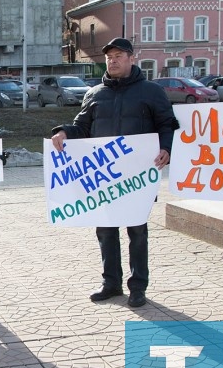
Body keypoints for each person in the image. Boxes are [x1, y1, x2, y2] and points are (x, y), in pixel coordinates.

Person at [51, 38, 177, 307]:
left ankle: (138, 287)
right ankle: (111, 283)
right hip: (104, 178)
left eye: (119, 55)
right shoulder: (95, 93)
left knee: (137, 232)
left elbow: (167, 123)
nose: (113, 60)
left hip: (138, 177)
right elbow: (81, 127)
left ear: (132, 58)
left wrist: (166, 147)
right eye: (109, 57)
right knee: (106, 231)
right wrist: (63, 132)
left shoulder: (151, 91)